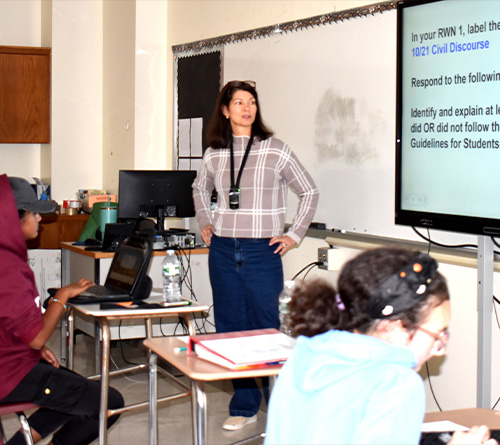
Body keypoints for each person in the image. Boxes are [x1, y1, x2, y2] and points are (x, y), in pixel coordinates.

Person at [265, 247, 496, 445]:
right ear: (393, 327)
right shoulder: (397, 383)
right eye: (437, 335)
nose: (440, 349)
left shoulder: (306, 353)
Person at [192, 80, 319, 430]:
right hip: (222, 249)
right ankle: (245, 405)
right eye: (239, 102)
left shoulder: (275, 149)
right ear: (225, 110)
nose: (247, 108)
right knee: (231, 327)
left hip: (262, 250)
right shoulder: (214, 153)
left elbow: (308, 190)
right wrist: (205, 220)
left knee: (268, 329)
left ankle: (281, 409)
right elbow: (199, 188)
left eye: (252, 102)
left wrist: (294, 235)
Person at [0, 175, 124, 445]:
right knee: (108, 402)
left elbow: (14, 325)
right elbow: (36, 337)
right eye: (34, 213)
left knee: (72, 389)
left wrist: (28, 346)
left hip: (10, 362)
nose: (39, 220)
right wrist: (63, 295)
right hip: (8, 374)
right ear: (13, 218)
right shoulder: (8, 267)